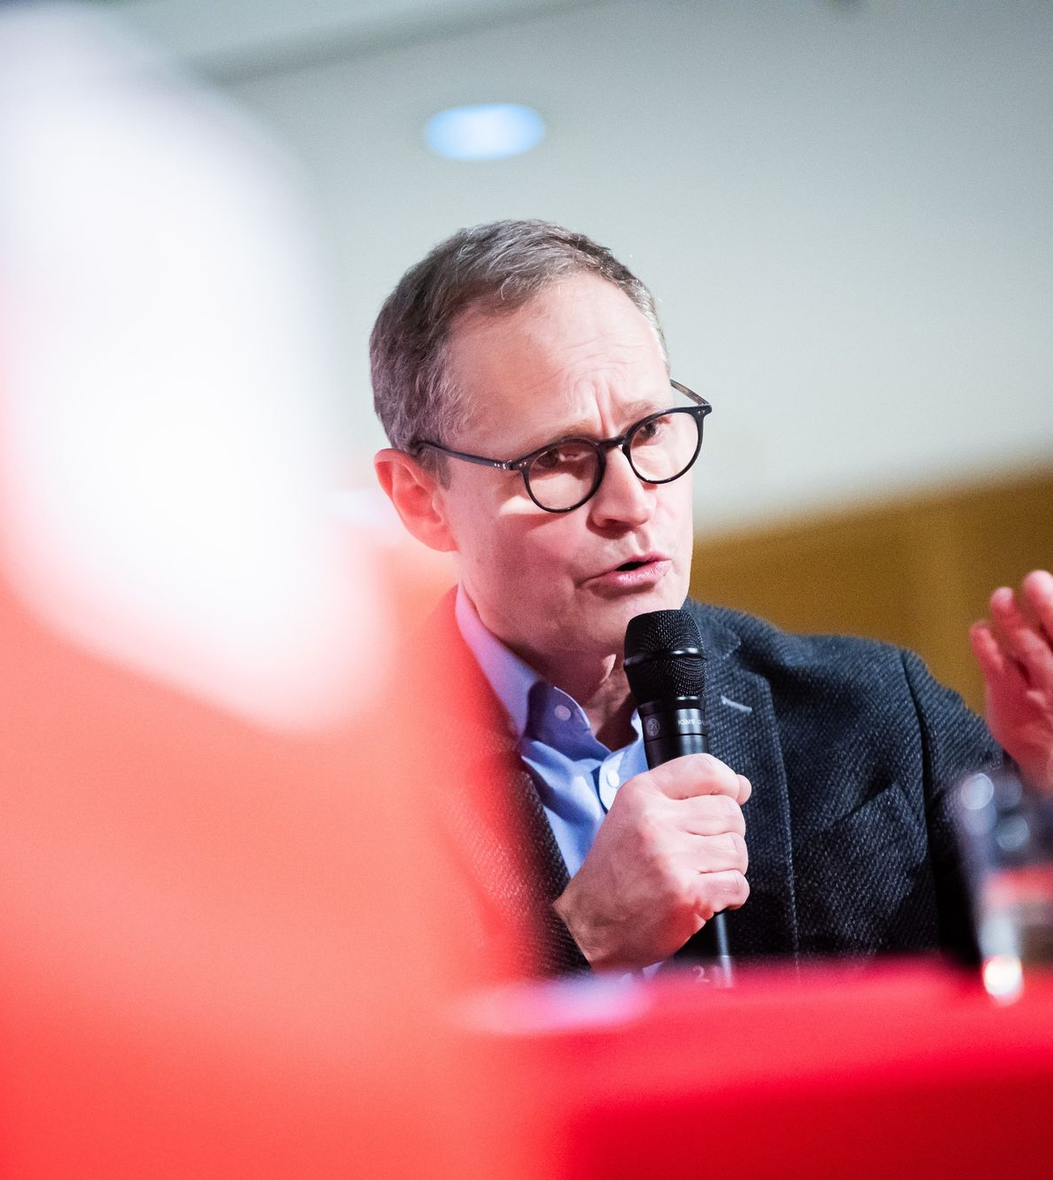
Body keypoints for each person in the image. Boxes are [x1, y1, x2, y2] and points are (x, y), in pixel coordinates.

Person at [370, 218, 1053, 977]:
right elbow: (322, 1077)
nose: (632, 500)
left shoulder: (880, 713)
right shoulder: (346, 785)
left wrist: (1048, 794)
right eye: (557, 458)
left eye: (651, 429)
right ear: (421, 499)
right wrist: (581, 936)